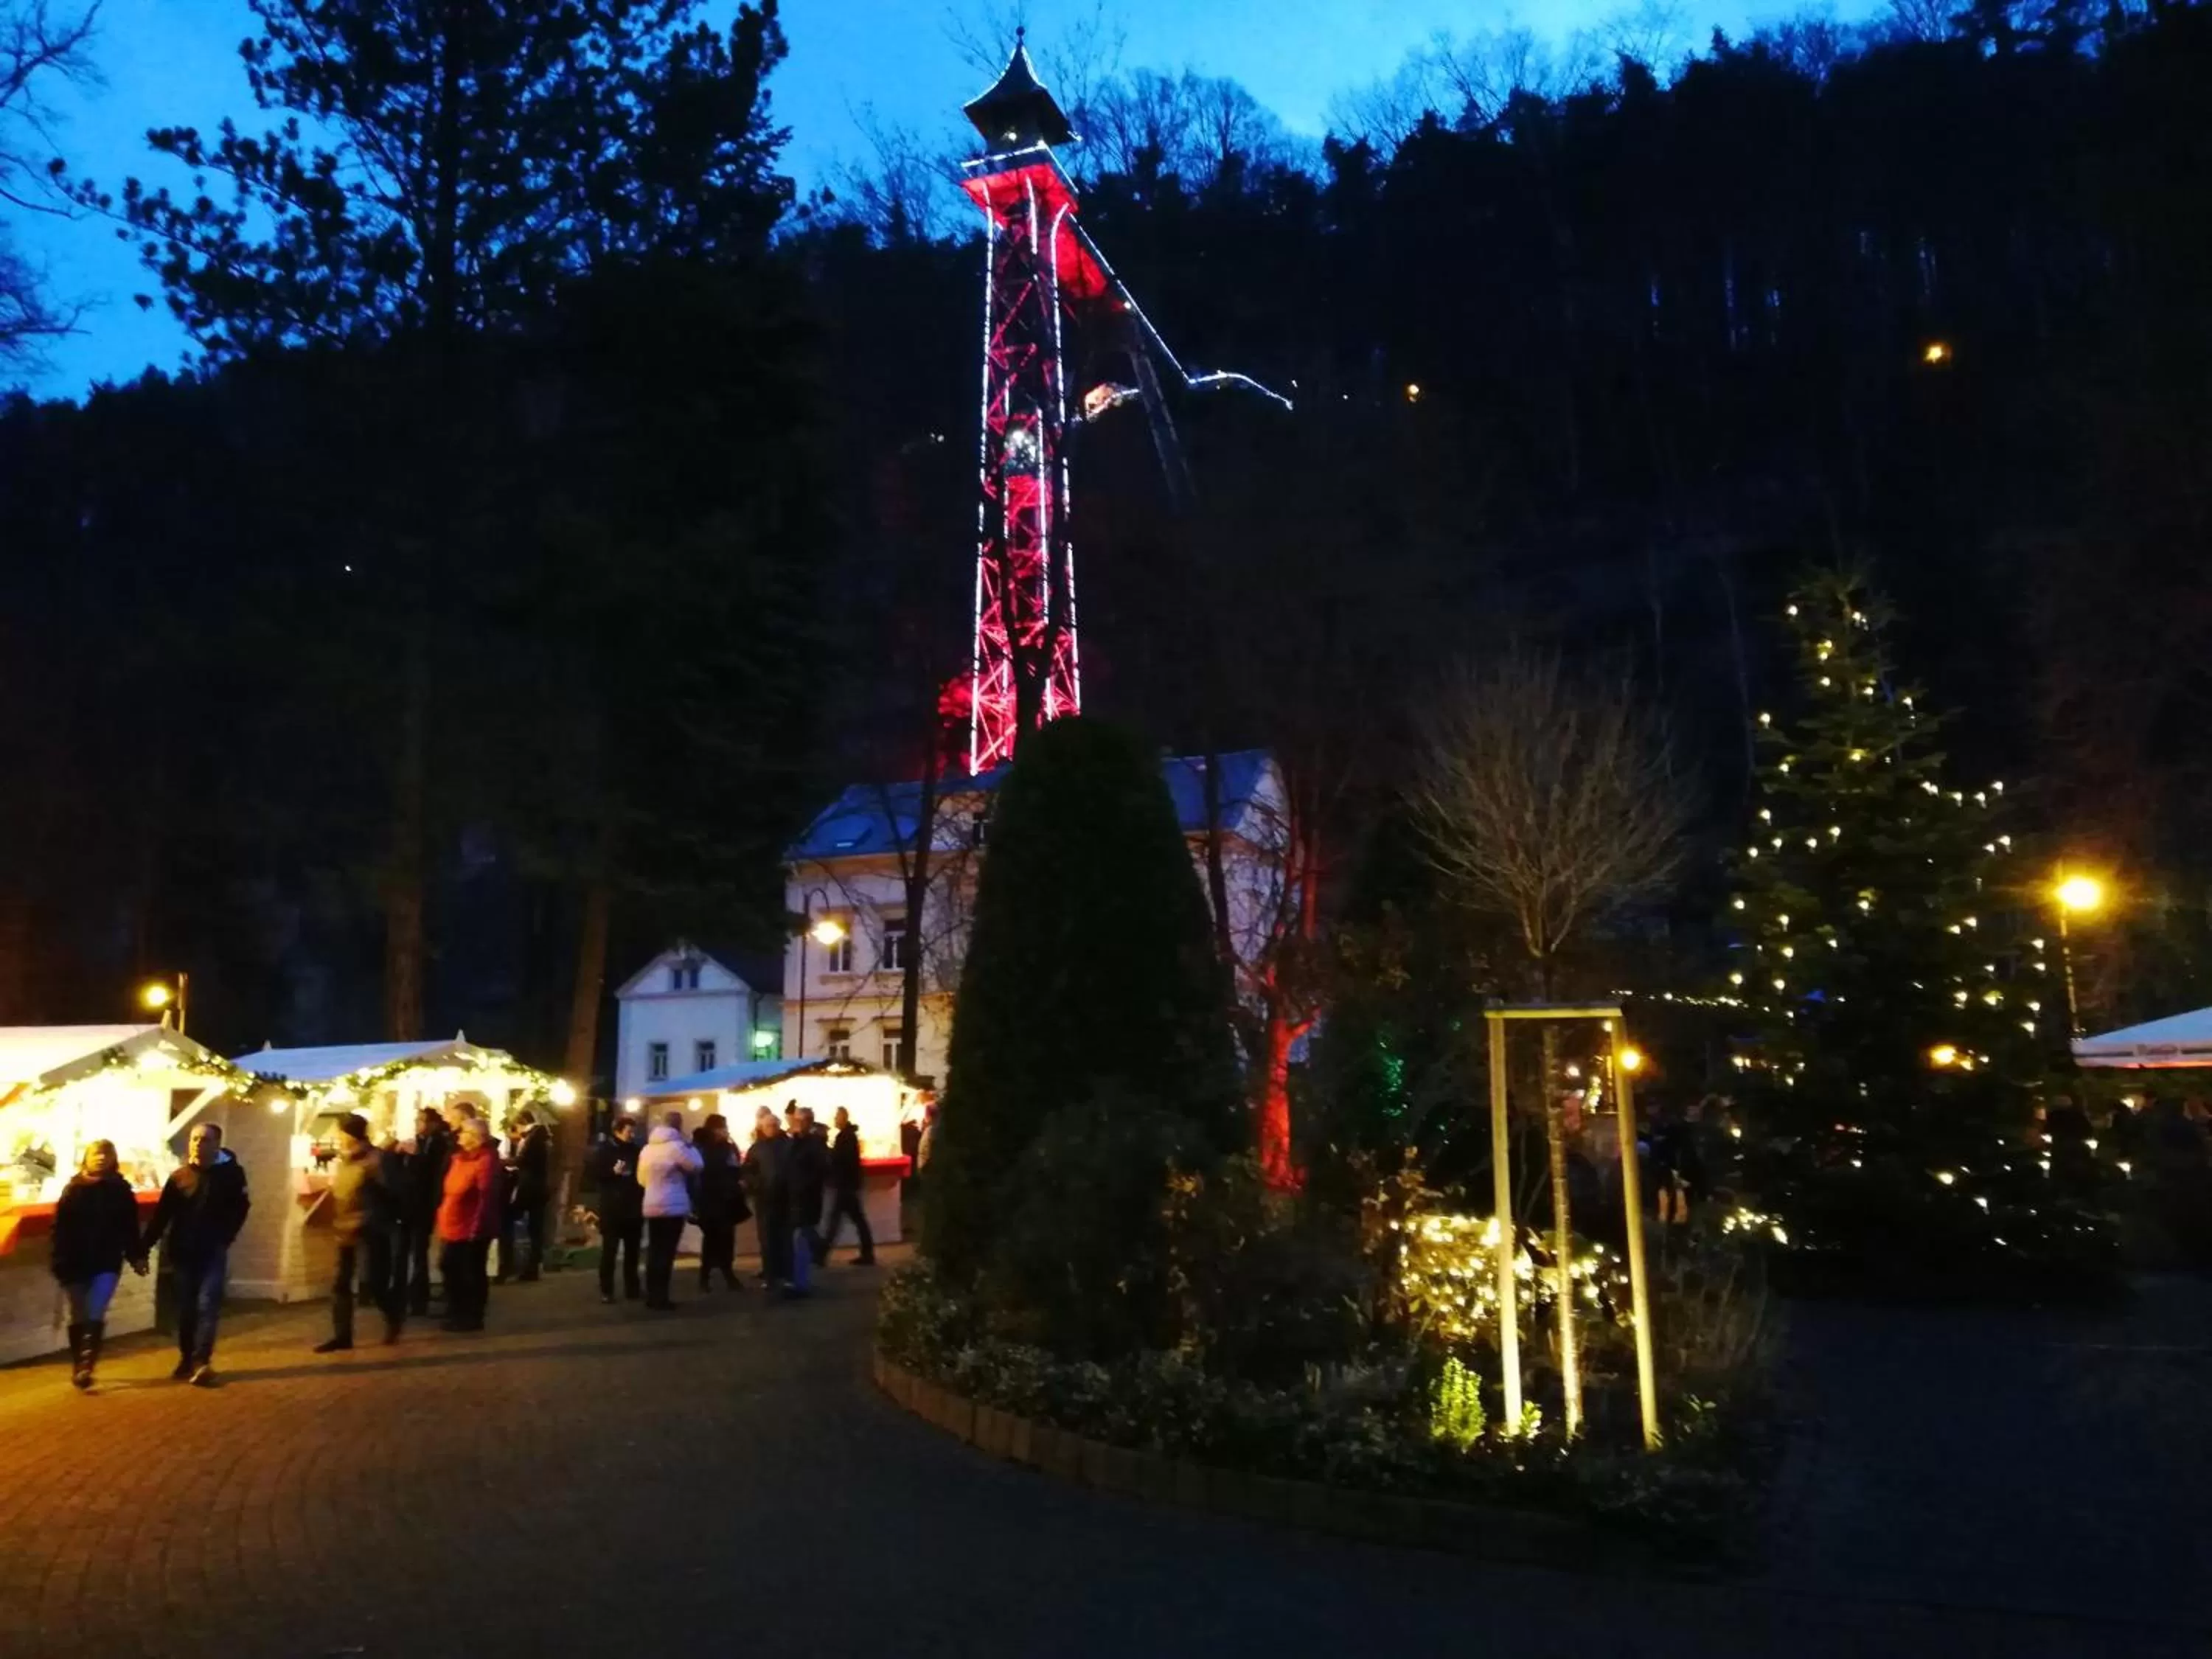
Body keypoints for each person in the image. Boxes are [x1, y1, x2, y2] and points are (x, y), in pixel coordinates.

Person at [141, 1121, 250, 1387]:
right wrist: (143, 1249)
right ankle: (186, 1357)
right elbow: (162, 1216)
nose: (197, 1144)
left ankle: (203, 1360)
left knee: (207, 1304)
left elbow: (242, 1207)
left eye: (204, 1140)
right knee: (187, 1308)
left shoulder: (232, 1175)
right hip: (183, 1250)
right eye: (194, 1139)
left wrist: (226, 1236)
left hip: (212, 1249)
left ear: (216, 1145)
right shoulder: (180, 1178)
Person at [49, 1139, 147, 1390]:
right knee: (78, 1312)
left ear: (113, 1159)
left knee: (96, 1309)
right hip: (75, 1259)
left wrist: (136, 1255)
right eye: (96, 1154)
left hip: (106, 1258)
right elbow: (60, 1228)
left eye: (106, 1154)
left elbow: (130, 1226)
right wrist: (58, 1259)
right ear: (87, 1158)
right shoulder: (74, 1189)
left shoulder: (120, 1189)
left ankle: (86, 1367)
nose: (101, 1158)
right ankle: (78, 1365)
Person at [319, 1112, 403, 1353]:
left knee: (375, 1283)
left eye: (340, 1133)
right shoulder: (345, 1160)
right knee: (340, 1284)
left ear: (350, 1134)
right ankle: (342, 1335)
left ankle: (393, 1316)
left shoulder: (378, 1160)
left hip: (371, 1229)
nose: (337, 1137)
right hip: (344, 1228)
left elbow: (394, 1191)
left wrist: (382, 1214)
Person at [437, 1118, 503, 1332]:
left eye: (463, 1132)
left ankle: (471, 1315)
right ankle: (456, 1309)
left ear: (475, 1138)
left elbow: (486, 1196)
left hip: (471, 1227)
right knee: (450, 1267)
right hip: (453, 1224)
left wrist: (478, 1226)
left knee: (471, 1271)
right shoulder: (458, 1159)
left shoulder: (485, 1161)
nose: (459, 1136)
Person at [636, 1116, 702, 1310]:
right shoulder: (677, 1147)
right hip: (673, 1206)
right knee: (667, 1252)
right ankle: (662, 1296)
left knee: (654, 1250)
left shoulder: (647, 1150)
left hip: (651, 1205)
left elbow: (641, 1179)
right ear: (679, 1126)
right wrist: (691, 1147)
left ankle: (651, 1294)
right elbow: (697, 1166)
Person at [588, 1116, 645, 1304]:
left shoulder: (636, 1150)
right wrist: (612, 1173)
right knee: (609, 1251)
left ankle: (632, 1288)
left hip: (632, 1207)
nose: (632, 1135)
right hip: (612, 1208)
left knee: (632, 1251)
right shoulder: (604, 1151)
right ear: (618, 1131)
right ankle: (607, 1290)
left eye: (633, 1131)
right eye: (629, 1131)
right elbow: (596, 1175)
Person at [398, 1106, 450, 1315]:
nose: (418, 1125)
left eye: (422, 1121)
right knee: (410, 1252)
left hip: (423, 1205)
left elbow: (431, 1172)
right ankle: (412, 1296)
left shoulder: (438, 1144)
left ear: (433, 1123)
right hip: (412, 1205)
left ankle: (419, 1300)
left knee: (419, 1252)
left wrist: (415, 1156)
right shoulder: (422, 1142)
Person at [693, 1114, 749, 1293]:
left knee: (724, 1238)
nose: (725, 1130)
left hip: (725, 1200)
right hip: (712, 1199)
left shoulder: (726, 1147)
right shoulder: (705, 1147)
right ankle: (709, 1275)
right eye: (722, 1127)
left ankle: (724, 1274)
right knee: (713, 1239)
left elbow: (735, 1169)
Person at [742, 1107, 793, 1292]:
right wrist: (756, 1185)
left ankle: (784, 1275)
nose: (771, 1128)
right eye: (768, 1126)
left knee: (783, 1239)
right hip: (766, 1199)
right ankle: (773, 1275)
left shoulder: (788, 1146)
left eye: (773, 1125)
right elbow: (748, 1171)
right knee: (769, 1239)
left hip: (783, 1199)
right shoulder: (758, 1148)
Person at [820, 1106, 877, 1266]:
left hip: (845, 1184)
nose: (834, 1120)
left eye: (837, 1117)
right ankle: (867, 1252)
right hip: (849, 1184)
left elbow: (840, 1160)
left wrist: (827, 1151)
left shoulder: (844, 1137)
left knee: (837, 1220)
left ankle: (821, 1254)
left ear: (843, 1118)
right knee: (854, 1219)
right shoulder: (849, 1136)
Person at [504, 1110, 552, 1283]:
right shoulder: (540, 1137)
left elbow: (522, 1161)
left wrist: (503, 1161)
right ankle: (531, 1267)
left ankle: (525, 1267)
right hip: (537, 1190)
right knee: (535, 1230)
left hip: (531, 1190)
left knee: (524, 1227)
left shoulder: (533, 1138)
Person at [787, 1107, 830, 1290]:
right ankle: (799, 1279)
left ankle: (800, 1282)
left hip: (807, 1198)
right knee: (801, 1236)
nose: (795, 1125)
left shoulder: (815, 1144)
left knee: (802, 1238)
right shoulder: (799, 1142)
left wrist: (804, 1186)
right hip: (798, 1197)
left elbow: (819, 1170)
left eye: (799, 1121)